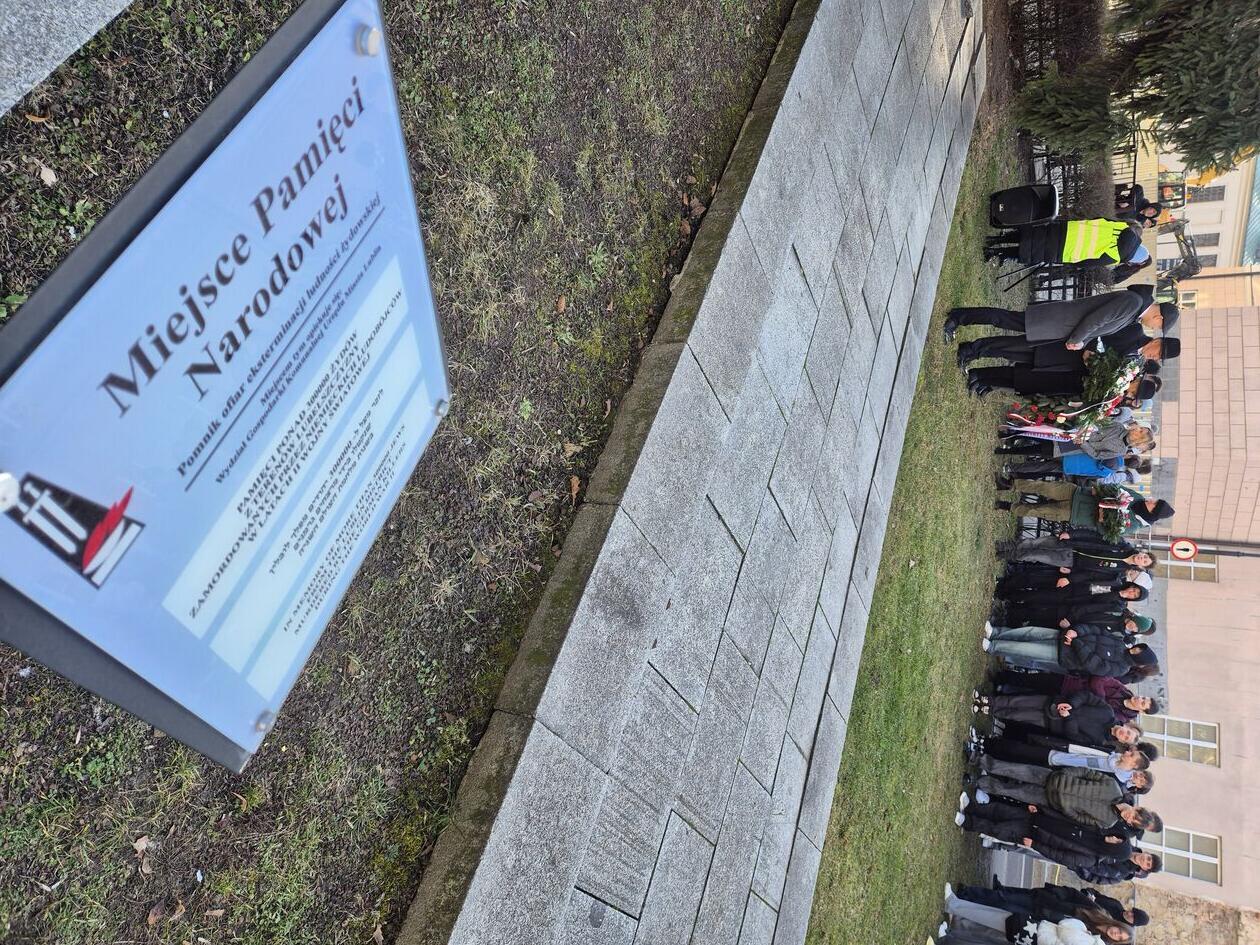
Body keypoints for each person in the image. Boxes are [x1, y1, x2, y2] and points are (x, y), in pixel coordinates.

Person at [943, 288, 1163, 347]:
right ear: (1159, 317)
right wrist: (1078, 339)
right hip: (1058, 320)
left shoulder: (1134, 310)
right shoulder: (1133, 302)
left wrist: (1081, 341)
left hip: (1059, 325)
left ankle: (961, 319)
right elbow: (1096, 319)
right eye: (1156, 326)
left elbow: (1099, 327)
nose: (1152, 329)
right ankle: (958, 317)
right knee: (1003, 319)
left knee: (1005, 320)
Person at [993, 479, 1174, 535]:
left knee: (1038, 511)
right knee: (1044, 487)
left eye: (1154, 504)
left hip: (1076, 513)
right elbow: (1118, 488)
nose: (1151, 500)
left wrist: (1102, 517)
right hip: (1078, 494)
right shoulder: (1137, 498)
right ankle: (1009, 484)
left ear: (1153, 512)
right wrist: (1101, 490)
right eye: (1155, 500)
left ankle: (1008, 506)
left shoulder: (1133, 525)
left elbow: (1106, 531)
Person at [982, 624, 1158, 679]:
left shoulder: (1120, 669)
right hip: (1065, 636)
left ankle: (992, 647)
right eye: (1138, 647)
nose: (1135, 649)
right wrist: (1077, 631)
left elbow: (1093, 664)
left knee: (1025, 649)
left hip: (1063, 654)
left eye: (1139, 652)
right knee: (1029, 632)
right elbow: (1097, 630)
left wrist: (1076, 642)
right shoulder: (1120, 642)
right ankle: (996, 633)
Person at [984, 218, 1143, 269]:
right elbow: (1088, 264)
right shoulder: (1116, 256)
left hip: (1069, 229)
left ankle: (996, 240)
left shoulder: (1122, 226)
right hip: (1066, 251)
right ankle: (995, 253)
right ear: (1131, 259)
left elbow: (1099, 218)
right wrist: (1072, 264)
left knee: (1032, 235)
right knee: (1030, 251)